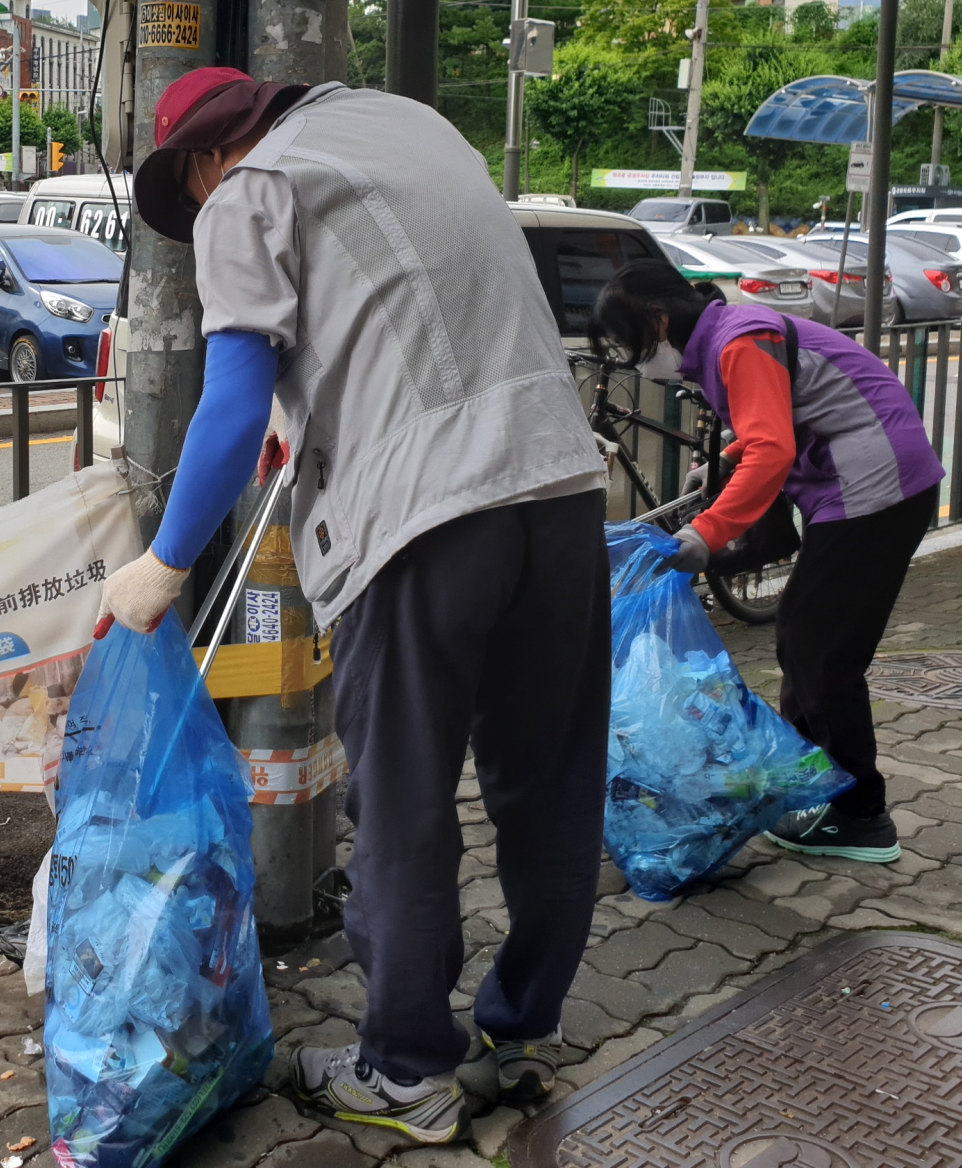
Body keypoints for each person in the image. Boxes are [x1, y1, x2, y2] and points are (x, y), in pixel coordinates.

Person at [93, 67, 612, 1144]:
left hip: (425, 525)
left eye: (187, 199)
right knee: (549, 787)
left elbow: (233, 397)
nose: (199, 216)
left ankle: (406, 1072)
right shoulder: (407, 126)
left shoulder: (247, 189)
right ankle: (516, 1036)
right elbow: (411, 319)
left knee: (405, 809)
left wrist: (166, 562)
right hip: (559, 493)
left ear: (202, 157)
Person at [588, 259, 945, 864]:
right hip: (860, 483)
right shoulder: (730, 337)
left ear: (658, 319)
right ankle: (809, 782)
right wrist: (725, 460)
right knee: (803, 640)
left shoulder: (739, 340)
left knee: (820, 649)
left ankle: (859, 813)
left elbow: (774, 447)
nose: (635, 360)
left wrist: (706, 534)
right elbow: (772, 421)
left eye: (631, 342)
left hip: (874, 485)